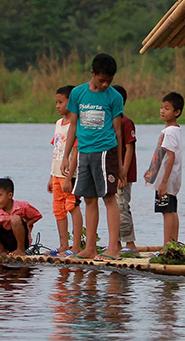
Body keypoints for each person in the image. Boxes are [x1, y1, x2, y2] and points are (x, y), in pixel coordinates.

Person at [63, 53, 124, 261]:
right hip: (84, 152)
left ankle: (113, 248)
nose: (105, 84)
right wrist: (66, 156)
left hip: (106, 152)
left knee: (108, 197)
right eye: (101, 80)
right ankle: (90, 247)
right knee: (89, 199)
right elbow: (73, 126)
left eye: (109, 80)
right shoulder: (78, 93)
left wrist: (122, 164)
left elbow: (118, 131)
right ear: (92, 74)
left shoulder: (114, 97)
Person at [145, 91, 184, 246]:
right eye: (162, 107)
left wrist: (163, 182)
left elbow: (171, 157)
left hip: (166, 179)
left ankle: (167, 246)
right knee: (172, 210)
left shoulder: (169, 132)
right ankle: (172, 244)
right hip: (170, 178)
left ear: (177, 112)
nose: (162, 111)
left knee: (167, 211)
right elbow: (162, 157)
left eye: (167, 108)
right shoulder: (175, 130)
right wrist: (151, 171)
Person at [48, 84, 82, 256]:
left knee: (72, 206)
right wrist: (51, 176)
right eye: (56, 102)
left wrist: (70, 177)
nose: (57, 106)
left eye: (61, 102)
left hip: (70, 175)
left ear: (72, 101)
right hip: (56, 174)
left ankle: (76, 246)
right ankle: (64, 244)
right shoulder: (58, 124)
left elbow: (76, 151)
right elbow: (56, 151)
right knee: (58, 208)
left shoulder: (76, 125)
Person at [107, 85, 139, 253]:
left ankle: (130, 243)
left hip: (122, 174)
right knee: (114, 205)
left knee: (122, 206)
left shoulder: (125, 122)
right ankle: (116, 243)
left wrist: (123, 172)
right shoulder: (110, 121)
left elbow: (129, 148)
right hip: (111, 172)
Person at [0, 177, 42, 262]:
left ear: (10, 195)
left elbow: (37, 216)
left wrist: (27, 224)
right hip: (6, 239)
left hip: (21, 240)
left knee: (15, 219)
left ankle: (20, 249)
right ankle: (1, 249)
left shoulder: (23, 206)